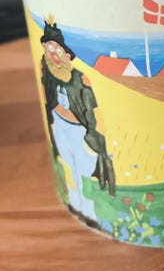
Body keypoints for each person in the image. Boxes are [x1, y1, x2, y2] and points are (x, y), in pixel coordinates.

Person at [40, 15, 115, 198]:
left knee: (83, 170)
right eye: (49, 50)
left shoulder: (80, 79)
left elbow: (92, 112)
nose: (53, 56)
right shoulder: (47, 73)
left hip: (79, 131)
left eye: (57, 51)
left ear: (66, 55)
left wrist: (94, 134)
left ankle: (87, 201)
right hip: (58, 125)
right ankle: (74, 197)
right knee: (67, 166)